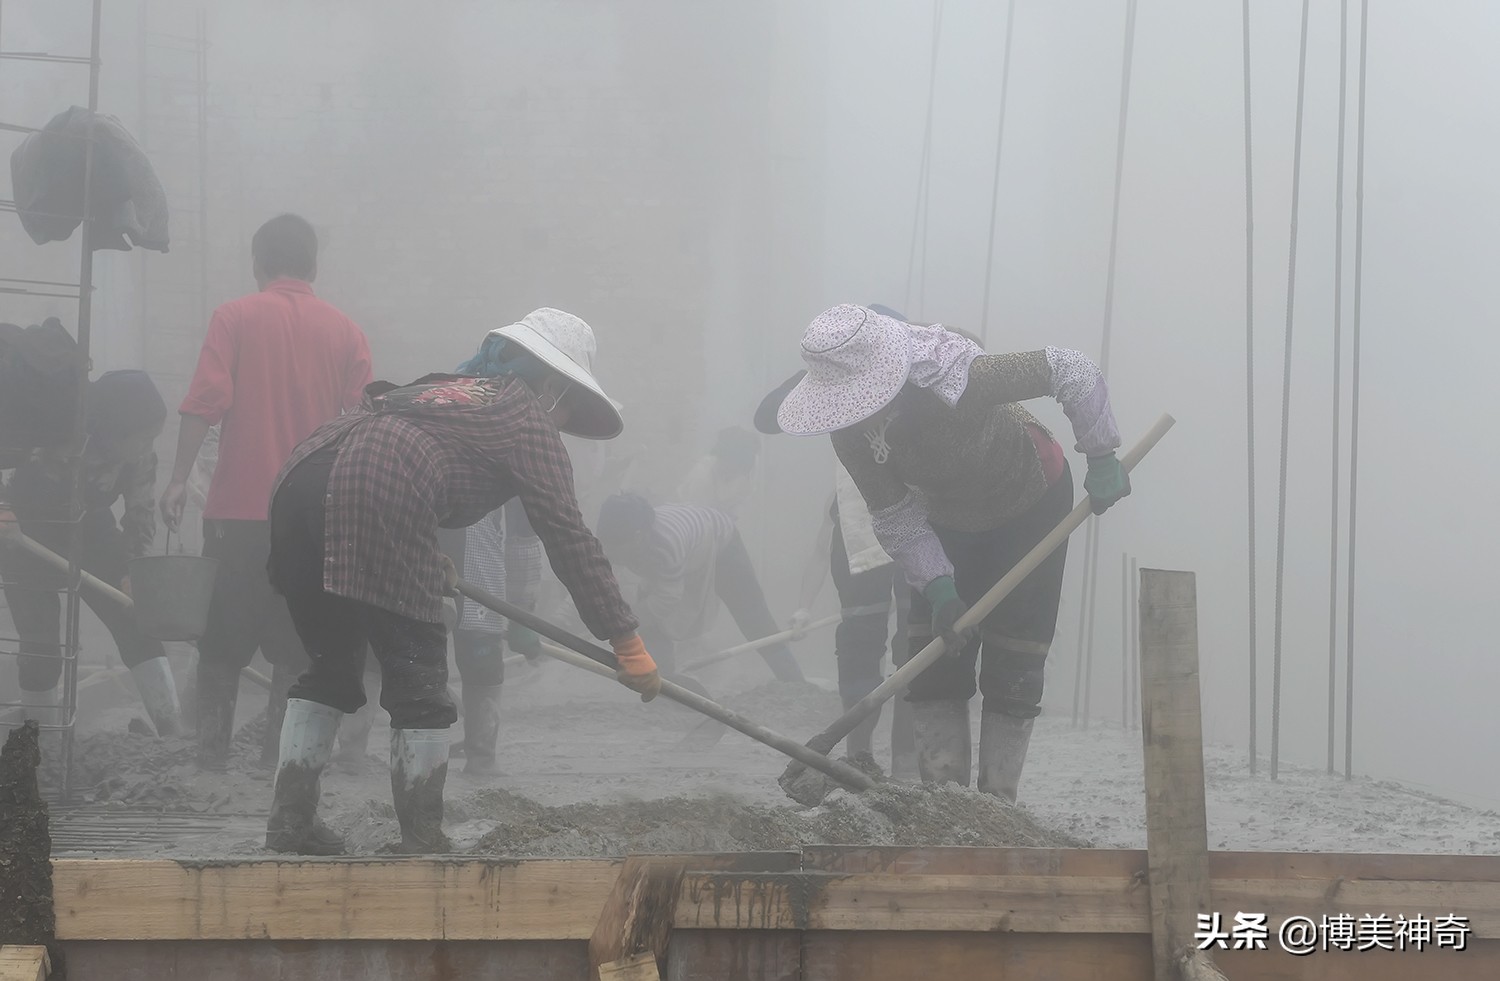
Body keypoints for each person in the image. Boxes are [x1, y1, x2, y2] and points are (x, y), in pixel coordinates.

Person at [264, 310, 659, 855]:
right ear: (550, 384)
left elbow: (394, 461)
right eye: (567, 405)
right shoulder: (524, 416)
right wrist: (625, 639)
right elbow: (568, 537)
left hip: (300, 480)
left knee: (330, 666)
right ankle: (421, 838)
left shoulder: (449, 391)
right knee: (419, 676)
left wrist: (423, 550)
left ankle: (290, 825)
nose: (563, 422)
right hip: (376, 484)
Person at [776, 304, 1130, 802]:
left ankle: (998, 798)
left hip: (1029, 497)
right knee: (934, 651)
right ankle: (946, 797)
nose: (856, 411)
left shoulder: (955, 376)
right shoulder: (849, 433)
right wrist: (938, 586)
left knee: (1016, 651)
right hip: (944, 517)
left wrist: (1101, 453)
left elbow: (1071, 369)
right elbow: (895, 514)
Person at [159, 213, 373, 771]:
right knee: (294, 647)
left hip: (240, 513)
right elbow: (363, 423)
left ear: (257, 263)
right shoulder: (347, 332)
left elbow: (204, 402)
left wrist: (180, 477)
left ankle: (210, 760)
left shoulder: (233, 317)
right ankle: (276, 764)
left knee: (221, 643)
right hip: (312, 519)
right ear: (314, 266)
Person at [436, 312, 610, 776]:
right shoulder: (520, 427)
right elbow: (525, 537)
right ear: (551, 385)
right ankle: (481, 760)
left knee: (411, 660)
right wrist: (523, 615)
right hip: (471, 562)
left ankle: (357, 760)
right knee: (479, 659)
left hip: (414, 549)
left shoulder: (448, 396)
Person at [0, 370, 181, 735]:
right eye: (142, 438)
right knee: (42, 646)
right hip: (22, 536)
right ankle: (43, 741)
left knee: (135, 620)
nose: (147, 447)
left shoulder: (139, 457)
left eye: (153, 438)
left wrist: (133, 573)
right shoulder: (51, 430)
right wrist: (3, 509)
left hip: (91, 531)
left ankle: (170, 731)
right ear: (113, 430)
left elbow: (139, 515)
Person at [595, 493, 805, 684]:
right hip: (686, 546)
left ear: (638, 537)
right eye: (606, 545)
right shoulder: (615, 540)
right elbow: (594, 580)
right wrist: (569, 619)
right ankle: (663, 681)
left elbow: (665, 601)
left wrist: (621, 625)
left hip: (721, 544)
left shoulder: (666, 546)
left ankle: (794, 681)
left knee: (752, 615)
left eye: (615, 548)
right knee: (645, 606)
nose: (609, 553)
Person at [675, 426, 760, 518]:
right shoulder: (702, 479)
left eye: (738, 469)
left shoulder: (750, 463)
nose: (734, 472)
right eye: (730, 466)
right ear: (720, 458)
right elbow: (700, 520)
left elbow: (745, 493)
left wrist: (735, 512)